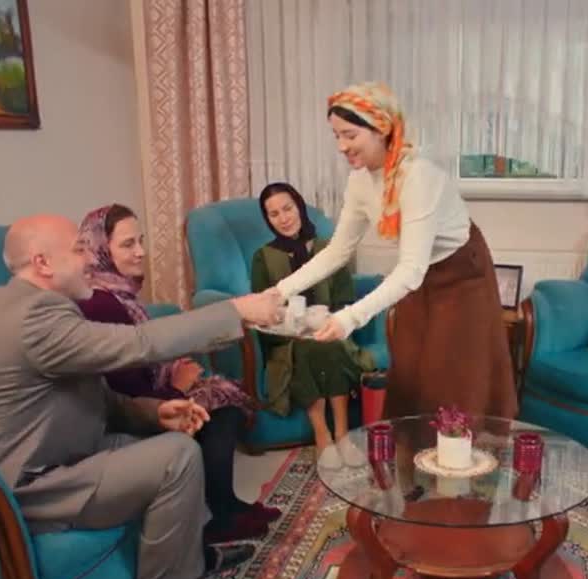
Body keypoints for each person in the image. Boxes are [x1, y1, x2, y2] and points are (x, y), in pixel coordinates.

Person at [0, 214, 283, 579]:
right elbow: (140, 344)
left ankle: (191, 557)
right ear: (43, 263)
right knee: (175, 457)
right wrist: (235, 310)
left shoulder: (38, 308)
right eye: (79, 249)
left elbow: (93, 394)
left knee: (169, 444)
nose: (89, 259)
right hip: (30, 484)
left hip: (64, 453)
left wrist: (154, 411)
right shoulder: (31, 319)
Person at [262, 82, 518, 421]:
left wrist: (349, 318)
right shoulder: (359, 181)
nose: (341, 146)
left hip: (462, 273)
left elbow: (410, 271)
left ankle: (463, 450)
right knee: (410, 369)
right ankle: (412, 450)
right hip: (419, 274)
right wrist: (279, 292)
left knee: (453, 378)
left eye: (350, 135)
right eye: (336, 136)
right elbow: (337, 251)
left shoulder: (419, 177)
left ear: (381, 128)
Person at [75, 204, 279, 544]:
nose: (141, 252)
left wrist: (170, 371)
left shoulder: (117, 293)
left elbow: (140, 358)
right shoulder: (100, 303)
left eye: (141, 241)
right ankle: (221, 516)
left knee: (219, 391)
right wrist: (177, 386)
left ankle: (227, 505)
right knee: (221, 404)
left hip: (139, 394)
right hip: (127, 411)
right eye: (127, 244)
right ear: (100, 250)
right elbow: (124, 386)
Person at [250, 183, 376, 454]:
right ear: (267, 219)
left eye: (287, 209)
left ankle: (341, 433)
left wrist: (328, 321)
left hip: (329, 330)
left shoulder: (329, 249)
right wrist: (288, 325)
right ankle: (323, 434)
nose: (283, 219)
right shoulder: (262, 258)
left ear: (299, 207)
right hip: (287, 341)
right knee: (307, 348)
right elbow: (261, 310)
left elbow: (345, 299)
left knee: (326, 343)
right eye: (274, 214)